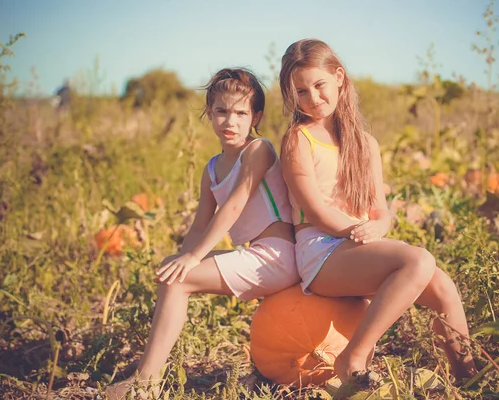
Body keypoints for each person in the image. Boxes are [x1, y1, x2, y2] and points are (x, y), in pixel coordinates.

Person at [278, 39, 477, 384]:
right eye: (301, 92)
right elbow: (315, 211)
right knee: (418, 260)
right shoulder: (299, 139)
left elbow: (380, 212)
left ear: (339, 77)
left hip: (359, 244)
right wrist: (360, 232)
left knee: (444, 288)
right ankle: (353, 358)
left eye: (319, 85)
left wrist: (378, 228)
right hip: (321, 252)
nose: (312, 98)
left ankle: (470, 378)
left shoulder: (366, 145)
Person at [106, 67, 299, 399]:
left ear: (256, 116)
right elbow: (198, 226)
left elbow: (235, 206)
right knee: (173, 273)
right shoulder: (211, 168)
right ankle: (149, 375)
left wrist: (193, 259)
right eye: (221, 111)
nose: (230, 121)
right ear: (209, 113)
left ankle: (145, 383)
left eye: (240, 113)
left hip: (279, 256)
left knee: (180, 276)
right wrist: (182, 259)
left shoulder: (260, 150)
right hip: (256, 256)